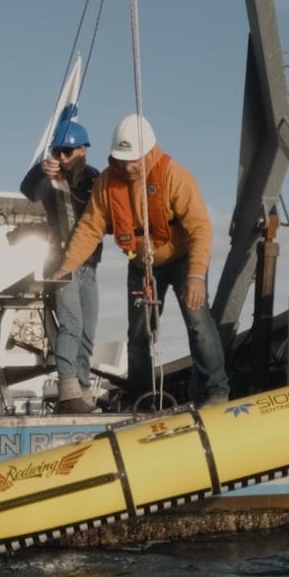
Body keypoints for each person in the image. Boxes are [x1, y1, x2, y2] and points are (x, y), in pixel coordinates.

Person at [49, 113, 230, 406]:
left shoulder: (175, 176)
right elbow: (89, 229)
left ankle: (216, 390)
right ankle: (142, 398)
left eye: (134, 159)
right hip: (141, 266)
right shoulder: (107, 184)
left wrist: (196, 275)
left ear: (149, 153)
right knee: (138, 333)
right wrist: (66, 266)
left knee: (197, 320)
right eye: (122, 160)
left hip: (183, 260)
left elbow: (200, 228)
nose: (128, 166)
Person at [20, 114, 101, 412]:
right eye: (58, 152)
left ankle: (82, 389)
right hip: (59, 263)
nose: (62, 157)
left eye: (68, 151)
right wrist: (41, 168)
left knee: (87, 330)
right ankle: (68, 390)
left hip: (89, 264)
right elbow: (27, 190)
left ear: (83, 149)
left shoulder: (95, 178)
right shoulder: (48, 179)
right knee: (71, 324)